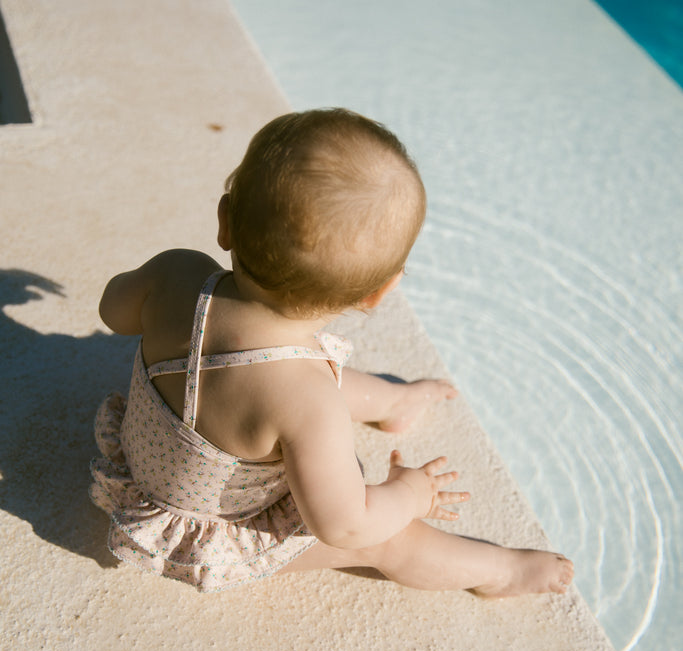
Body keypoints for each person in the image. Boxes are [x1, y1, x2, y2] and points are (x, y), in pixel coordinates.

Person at [90, 108, 573, 596]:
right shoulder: (307, 400)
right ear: (378, 294)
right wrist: (409, 495)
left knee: (311, 381)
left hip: (144, 466)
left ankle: (394, 402)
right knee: (391, 540)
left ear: (225, 221)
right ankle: (500, 572)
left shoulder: (176, 273)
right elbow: (345, 525)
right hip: (206, 528)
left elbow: (114, 312)